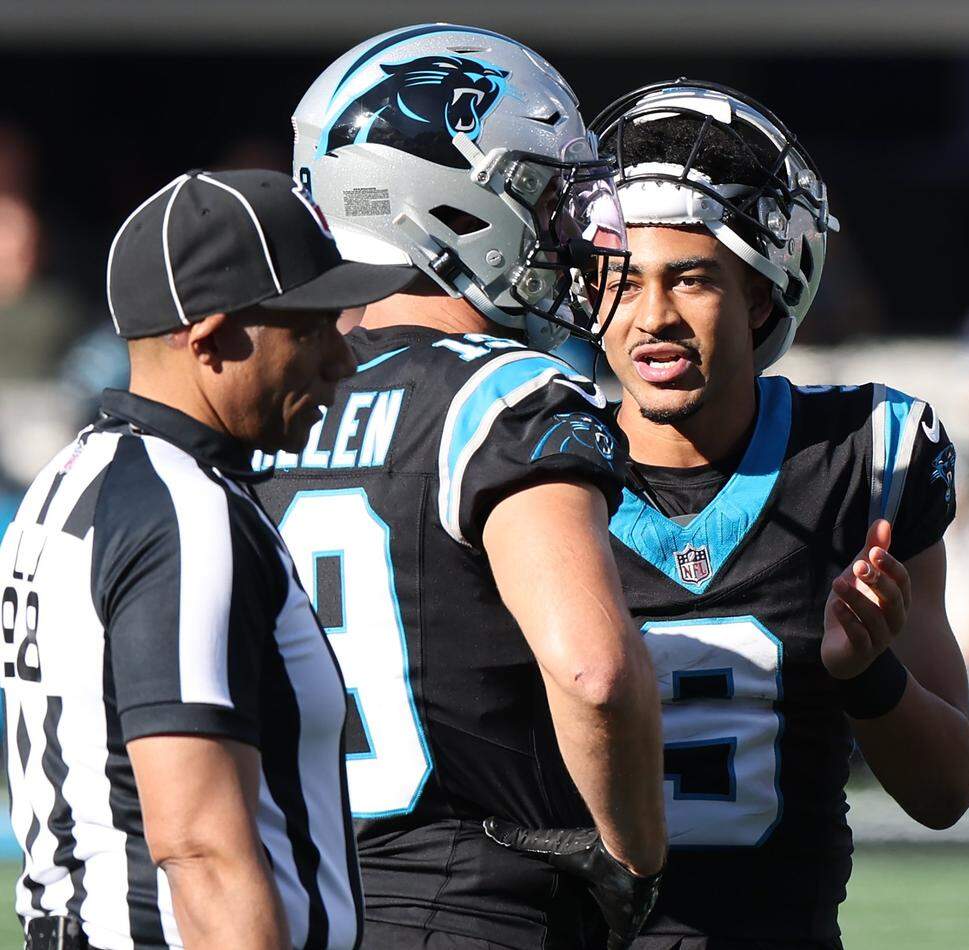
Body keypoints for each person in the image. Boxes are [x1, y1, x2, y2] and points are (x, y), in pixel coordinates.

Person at [253, 24, 667, 950]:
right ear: (439, 202)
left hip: (294, 903)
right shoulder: (506, 398)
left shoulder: (264, 412)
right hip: (474, 907)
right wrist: (636, 857)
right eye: (536, 193)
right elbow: (594, 673)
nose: (571, 231)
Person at [579, 81, 969, 948]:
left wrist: (867, 674)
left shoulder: (864, 456)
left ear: (763, 295)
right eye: (625, 280)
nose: (653, 317)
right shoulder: (534, 462)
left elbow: (947, 791)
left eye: (692, 279)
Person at [0, 168, 412, 949]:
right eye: (311, 327)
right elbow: (200, 850)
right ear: (212, 337)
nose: (342, 360)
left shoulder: (71, 479)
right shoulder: (183, 510)